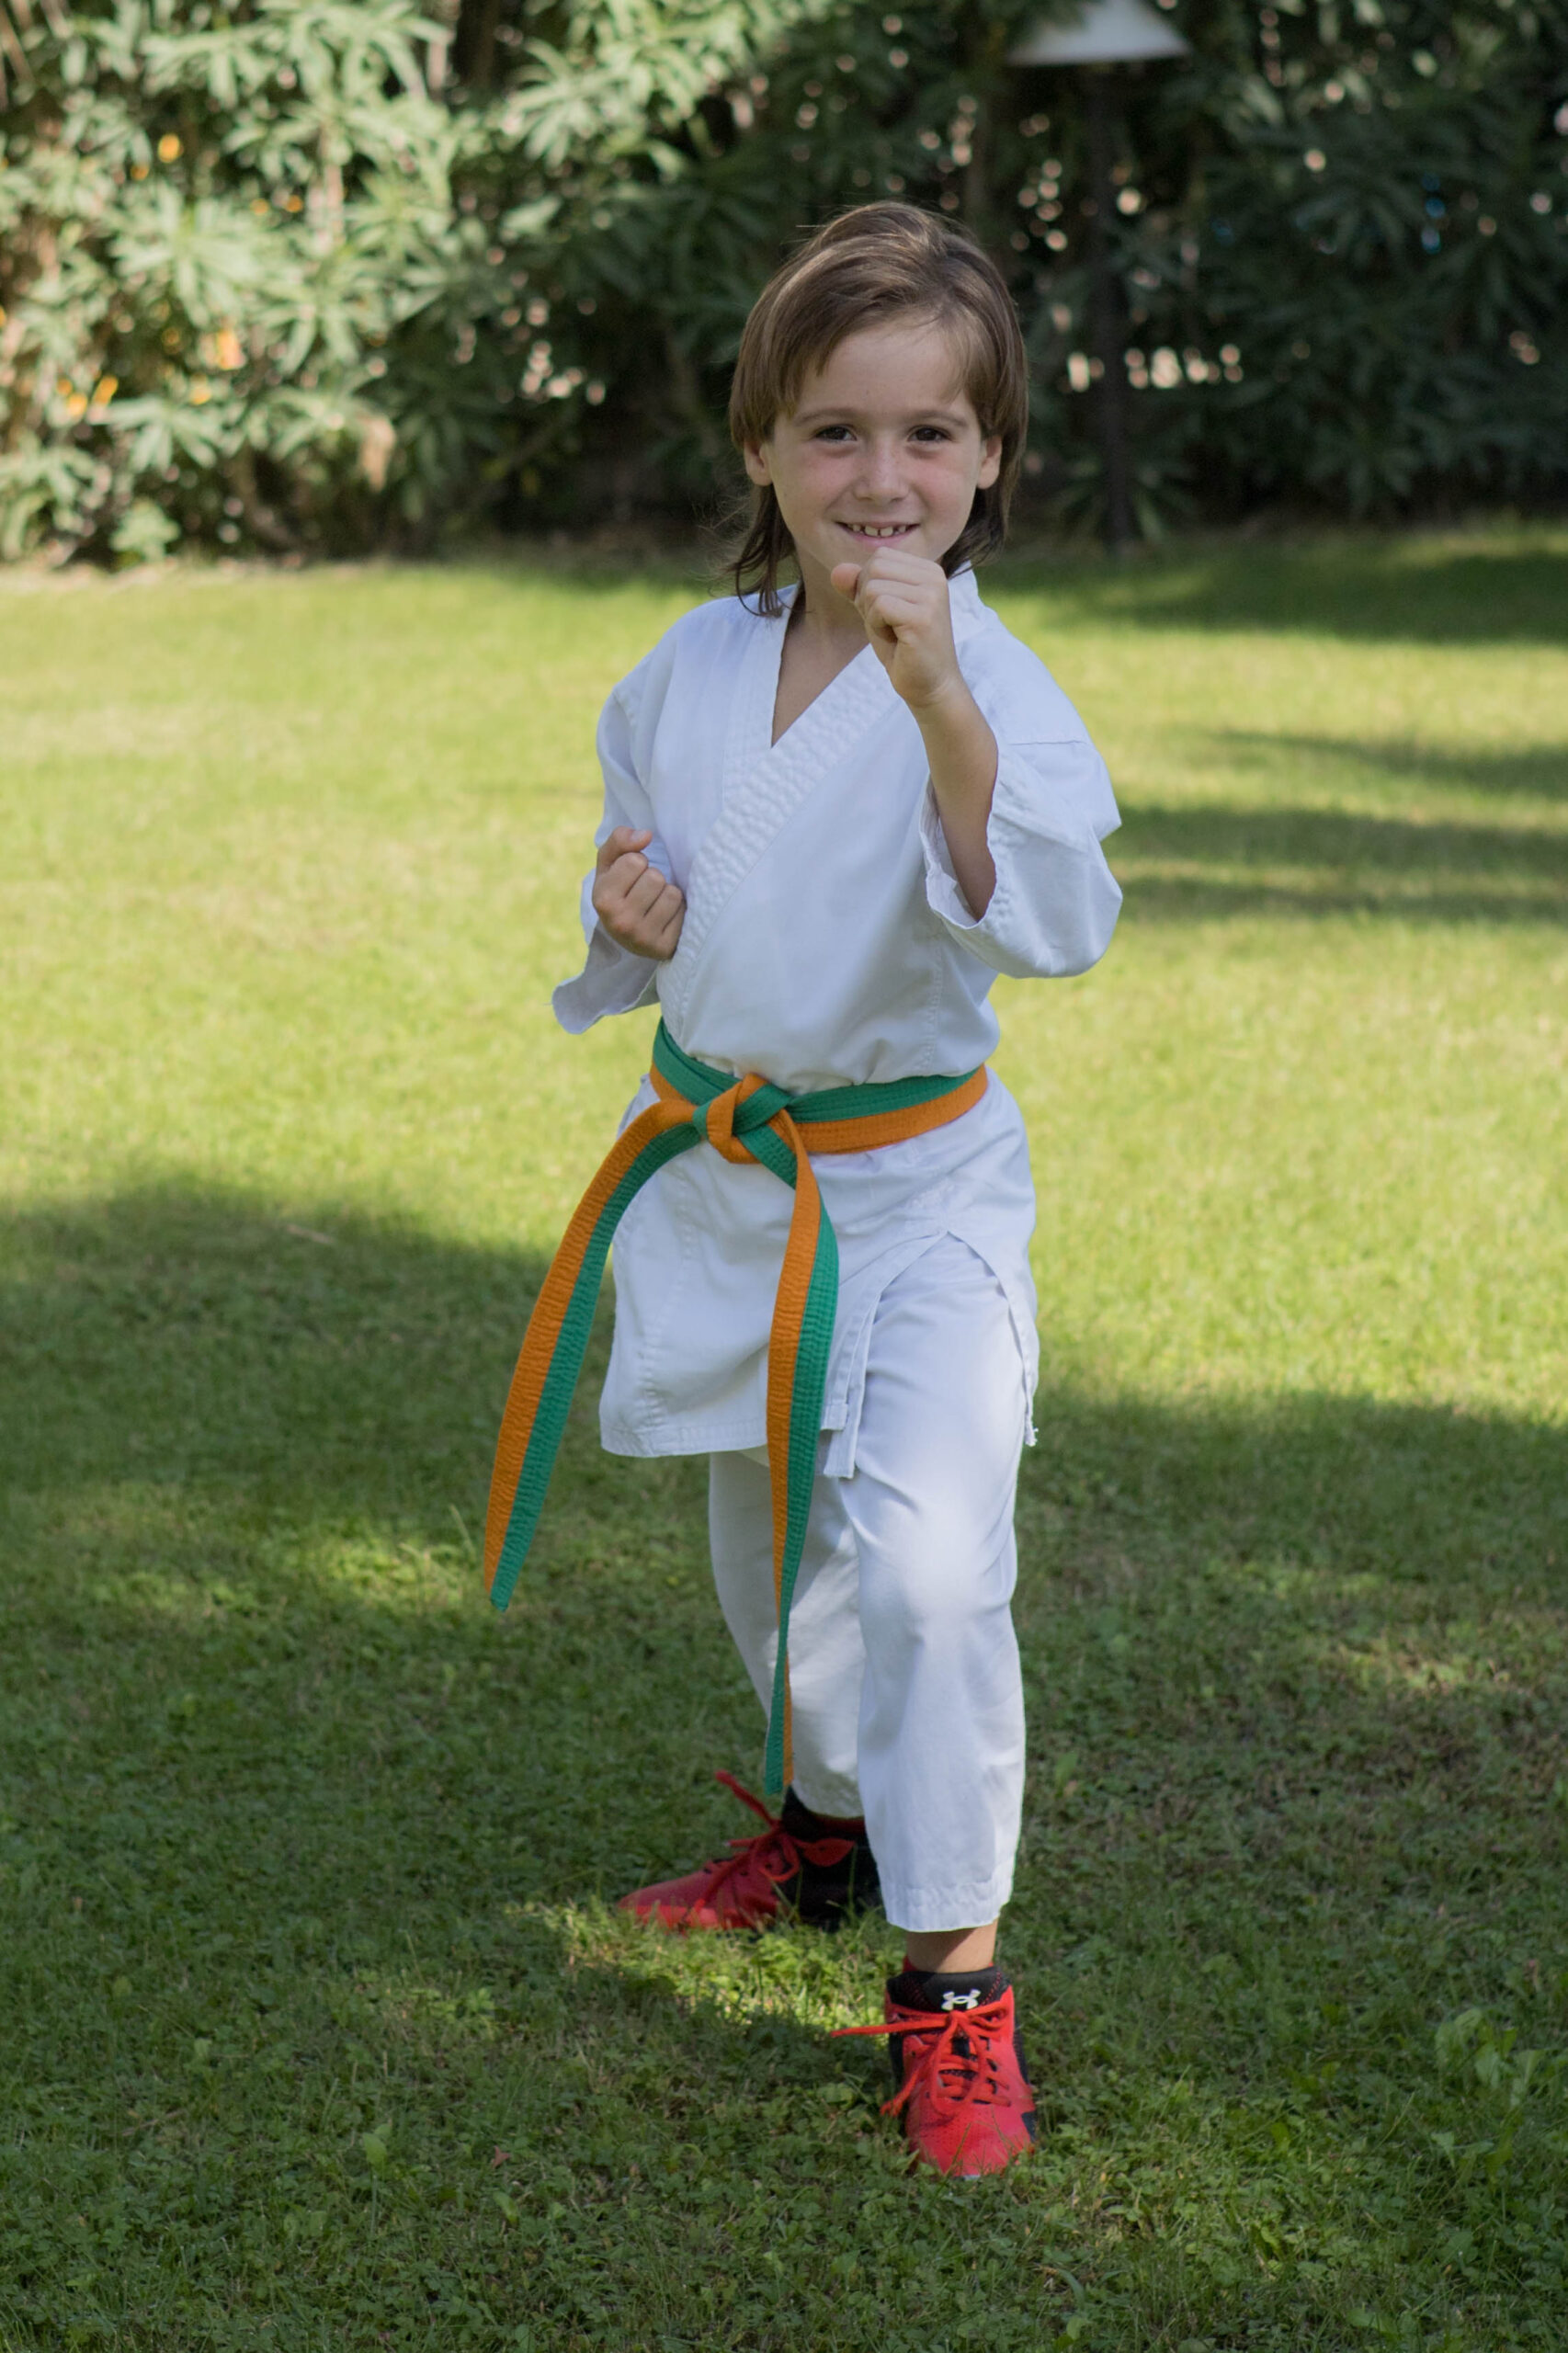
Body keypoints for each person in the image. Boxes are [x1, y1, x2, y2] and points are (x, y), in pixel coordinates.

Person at [485, 203, 1121, 2177]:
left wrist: (941, 705)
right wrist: (630, 909)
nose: (880, 477)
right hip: (734, 1185)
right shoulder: (689, 667)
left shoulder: (991, 677)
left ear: (989, 457)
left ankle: (954, 1989)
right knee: (772, 1574)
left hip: (915, 1197)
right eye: (835, 430)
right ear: (762, 443)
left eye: (928, 434)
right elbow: (657, 872)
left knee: (926, 1571)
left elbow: (1052, 915)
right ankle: (827, 1828)